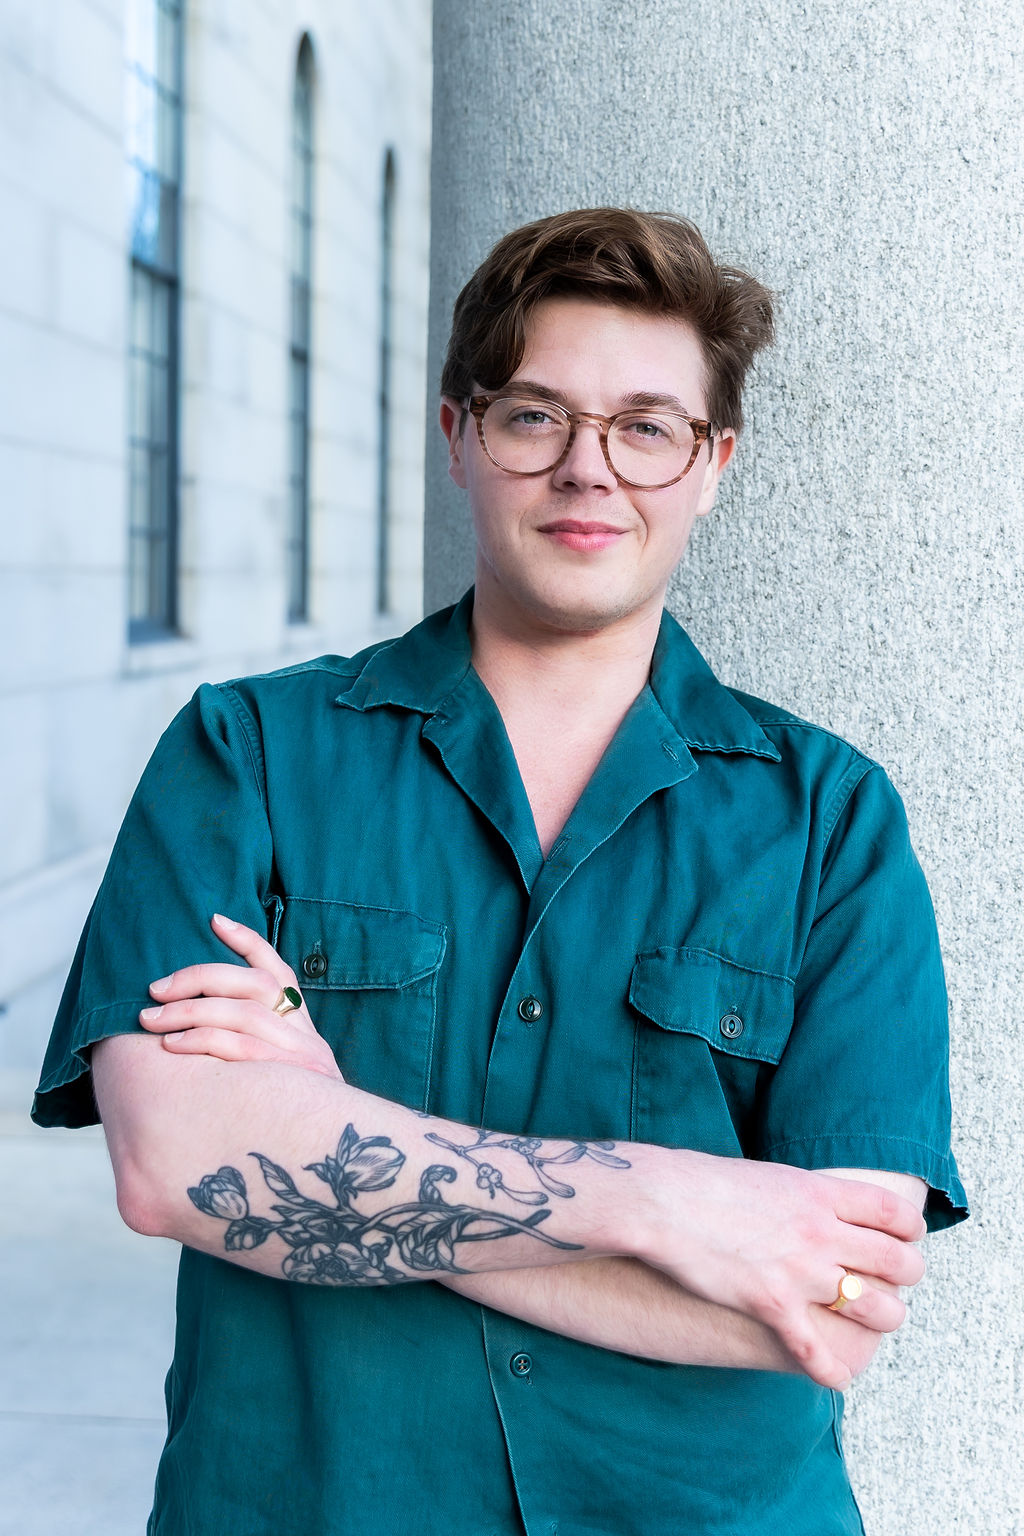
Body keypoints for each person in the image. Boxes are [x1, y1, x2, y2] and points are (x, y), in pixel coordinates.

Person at [34, 208, 967, 1536]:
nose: (590, 468)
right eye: (535, 417)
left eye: (647, 428)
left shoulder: (832, 821)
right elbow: (178, 1163)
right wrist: (668, 1203)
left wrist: (330, 1130)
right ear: (459, 438)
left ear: (712, 465)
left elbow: (826, 1300)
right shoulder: (246, 756)